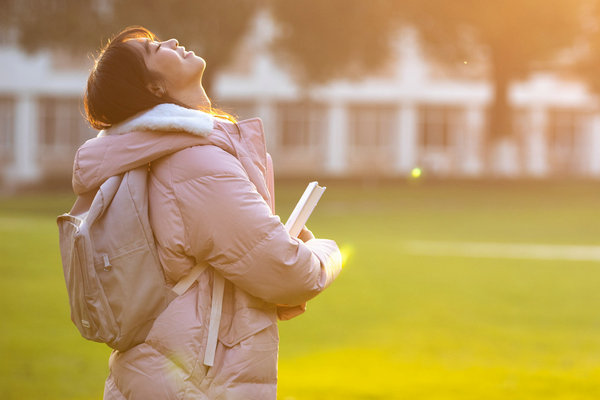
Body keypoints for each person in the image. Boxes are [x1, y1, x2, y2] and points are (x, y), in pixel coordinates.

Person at [74, 26, 343, 399]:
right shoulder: (194, 163)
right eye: (154, 50)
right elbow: (288, 272)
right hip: (195, 384)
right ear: (153, 88)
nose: (169, 41)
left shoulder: (161, 154)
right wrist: (327, 253)